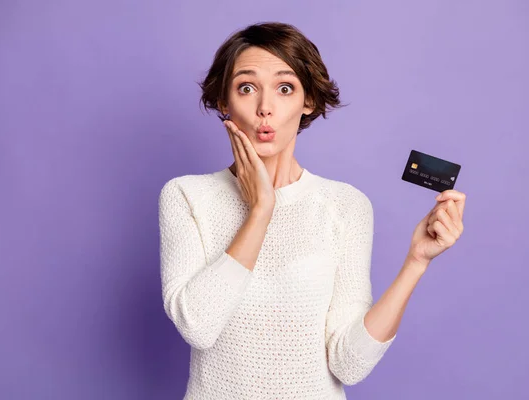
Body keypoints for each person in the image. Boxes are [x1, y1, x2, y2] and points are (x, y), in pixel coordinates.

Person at [159, 21, 466, 400]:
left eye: (284, 88)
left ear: (308, 102)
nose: (265, 108)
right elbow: (199, 325)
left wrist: (417, 261)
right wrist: (260, 212)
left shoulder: (345, 205)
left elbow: (349, 364)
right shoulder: (187, 196)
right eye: (246, 87)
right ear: (224, 102)